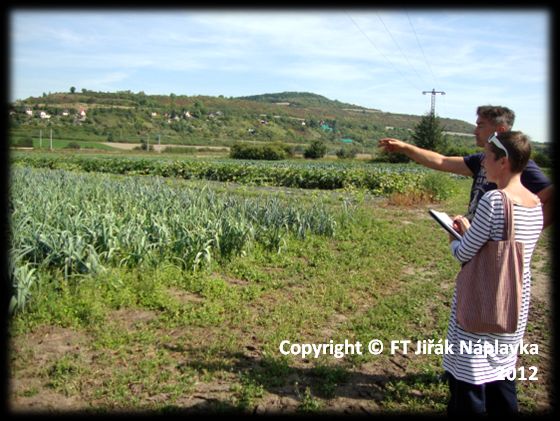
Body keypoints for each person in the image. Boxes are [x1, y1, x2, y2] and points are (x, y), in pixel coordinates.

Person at [443, 131, 543, 414]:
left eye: (487, 157)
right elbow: (503, 245)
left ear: (503, 161)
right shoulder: (535, 205)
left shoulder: (495, 200)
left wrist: (454, 237)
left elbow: (464, 253)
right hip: (512, 306)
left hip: (482, 304)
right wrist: (470, 232)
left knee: (470, 382)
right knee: (502, 378)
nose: (483, 163)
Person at [378, 105, 553, 228]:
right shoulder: (481, 159)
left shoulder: (520, 165)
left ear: (499, 131)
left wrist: (530, 232)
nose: (475, 130)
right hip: (475, 242)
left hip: (492, 253)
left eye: (480, 125)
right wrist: (406, 148)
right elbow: (441, 161)